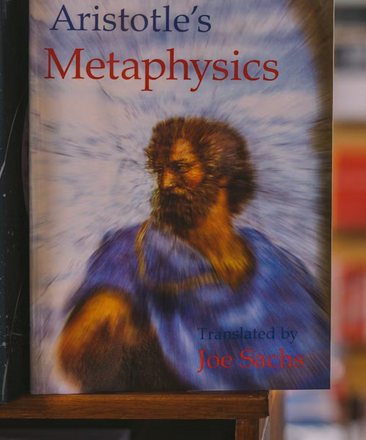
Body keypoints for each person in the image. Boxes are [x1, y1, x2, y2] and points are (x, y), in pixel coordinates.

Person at [56, 117, 330, 392]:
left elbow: (319, 343)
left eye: (180, 168)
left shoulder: (274, 261)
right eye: (160, 170)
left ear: (221, 172)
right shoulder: (133, 249)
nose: (165, 182)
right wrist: (97, 331)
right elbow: (90, 329)